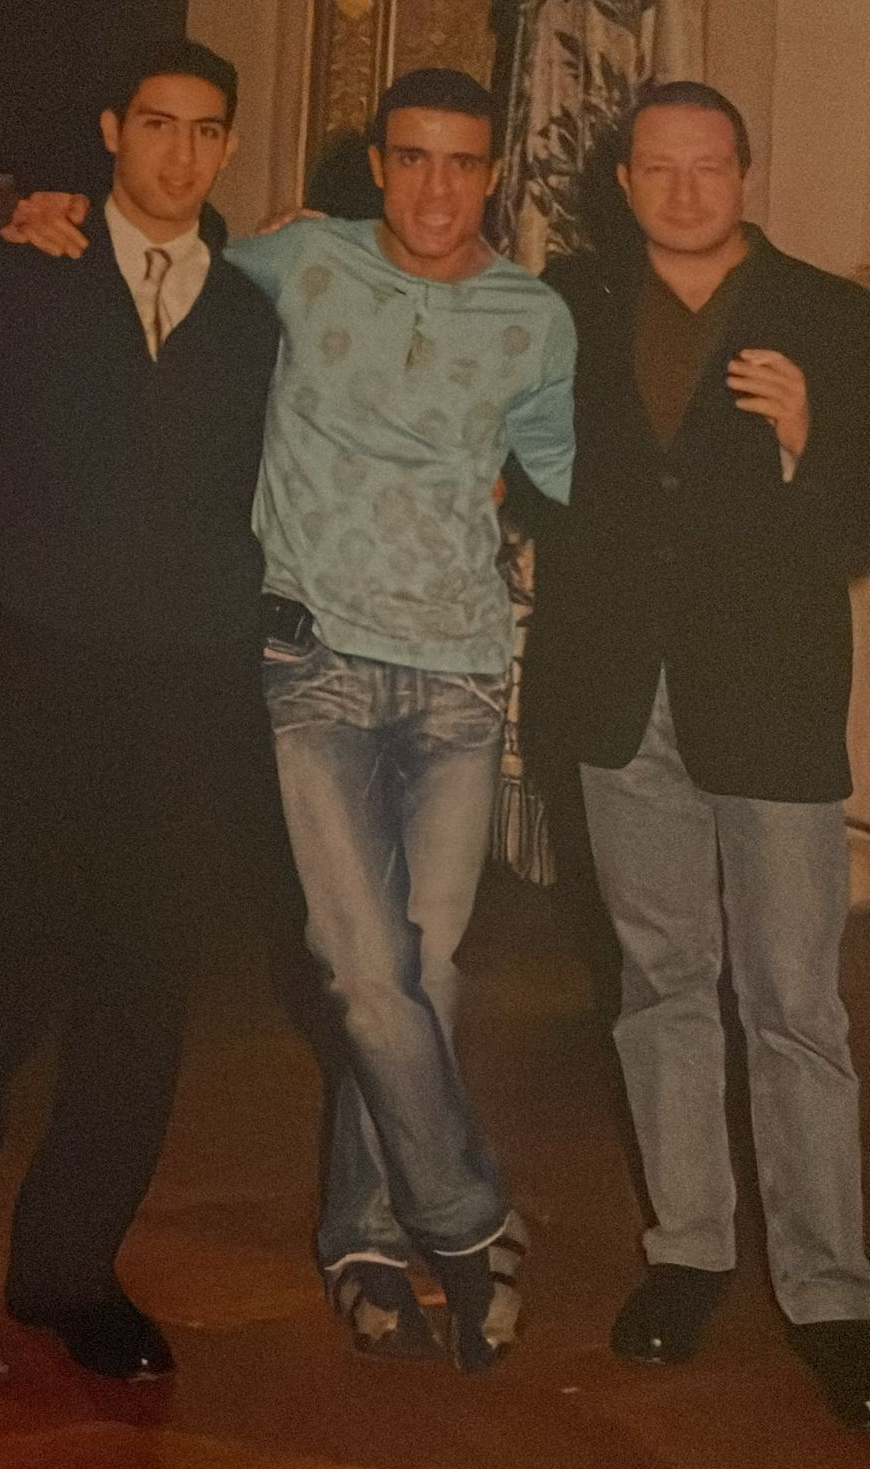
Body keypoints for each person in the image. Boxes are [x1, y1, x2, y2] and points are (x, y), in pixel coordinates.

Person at [6, 66, 576, 1372]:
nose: (436, 188)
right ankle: (469, 1217)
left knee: (422, 977)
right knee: (360, 969)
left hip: (461, 679)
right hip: (312, 666)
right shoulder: (296, 264)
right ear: (376, 164)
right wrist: (43, 219)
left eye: (463, 162)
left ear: (493, 173)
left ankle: (363, 1237)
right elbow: (151, 257)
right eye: (412, 157)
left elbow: (574, 475)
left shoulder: (535, 318)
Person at [0, 38, 281, 1381]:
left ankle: (73, 1271)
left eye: (206, 130)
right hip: (26, 690)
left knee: (137, 995)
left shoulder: (249, 319)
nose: (182, 152)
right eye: (158, 124)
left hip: (177, 704)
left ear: (227, 146)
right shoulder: (19, 277)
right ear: (112, 130)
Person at [537, 80, 870, 1429]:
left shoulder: (834, 316)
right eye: (658, 168)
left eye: (709, 166)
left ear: (745, 173)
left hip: (770, 703)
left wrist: (807, 439)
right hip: (619, 695)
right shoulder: (566, 304)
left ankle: (833, 1293)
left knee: (794, 1003)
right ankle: (688, 1253)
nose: (685, 191)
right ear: (624, 182)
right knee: (663, 982)